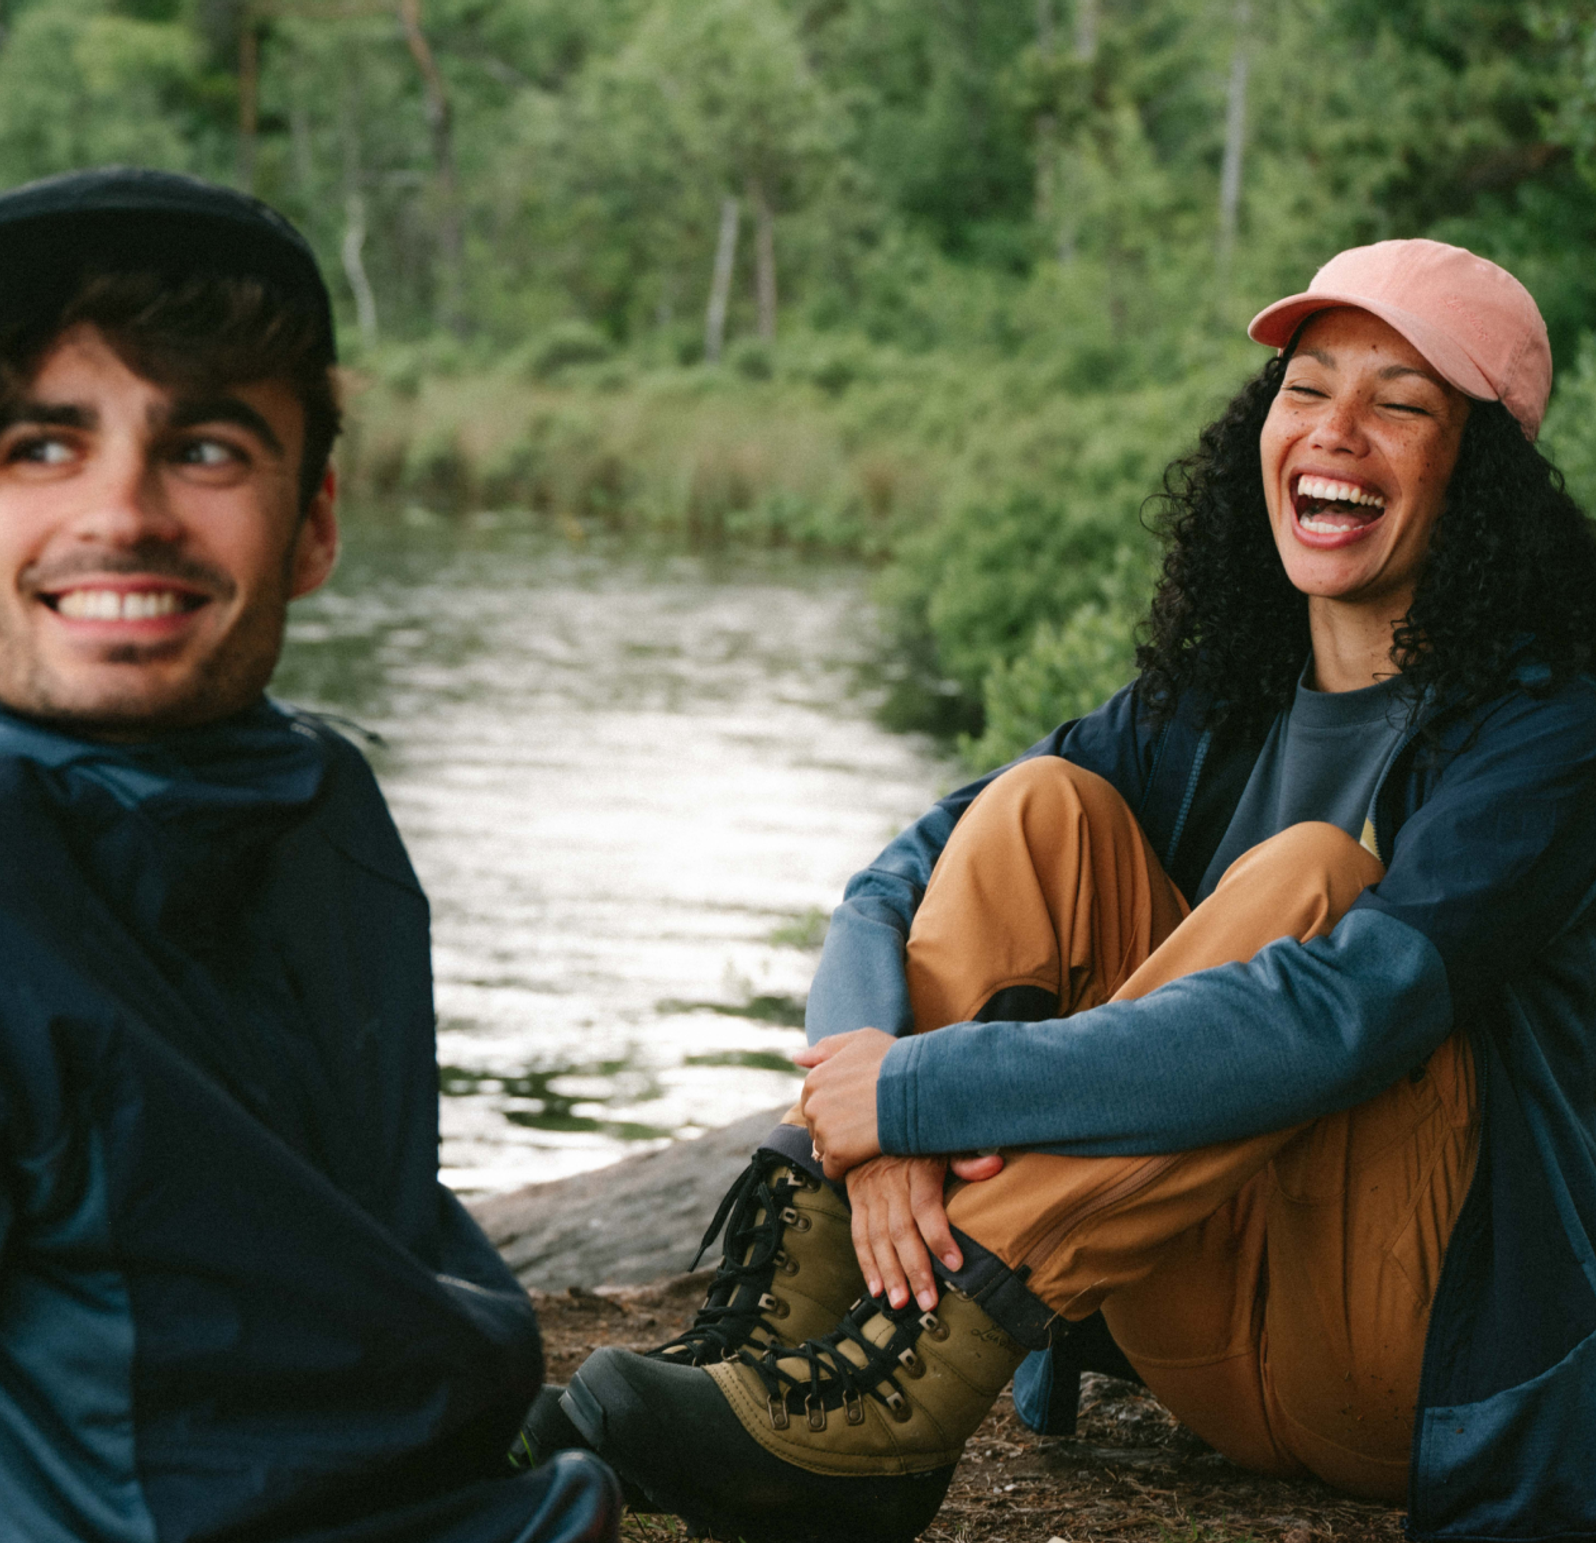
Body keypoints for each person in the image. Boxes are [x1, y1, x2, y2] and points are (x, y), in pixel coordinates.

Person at [540, 239, 1596, 1543]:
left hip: (1397, 1363)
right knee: (1036, 813)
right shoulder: (1216, 709)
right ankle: (777, 1350)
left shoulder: (1548, 734)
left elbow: (1346, 1015)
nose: (1334, 432)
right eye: (1306, 387)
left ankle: (905, 1389)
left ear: (1478, 470)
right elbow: (896, 878)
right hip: (1194, 1338)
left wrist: (931, 1087)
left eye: (1400, 401)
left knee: (1314, 880)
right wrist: (869, 1117)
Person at [0, 168, 620, 1543]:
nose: (125, 511)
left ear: (315, 519)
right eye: (43, 444)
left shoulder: (316, 801)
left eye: (204, 445)